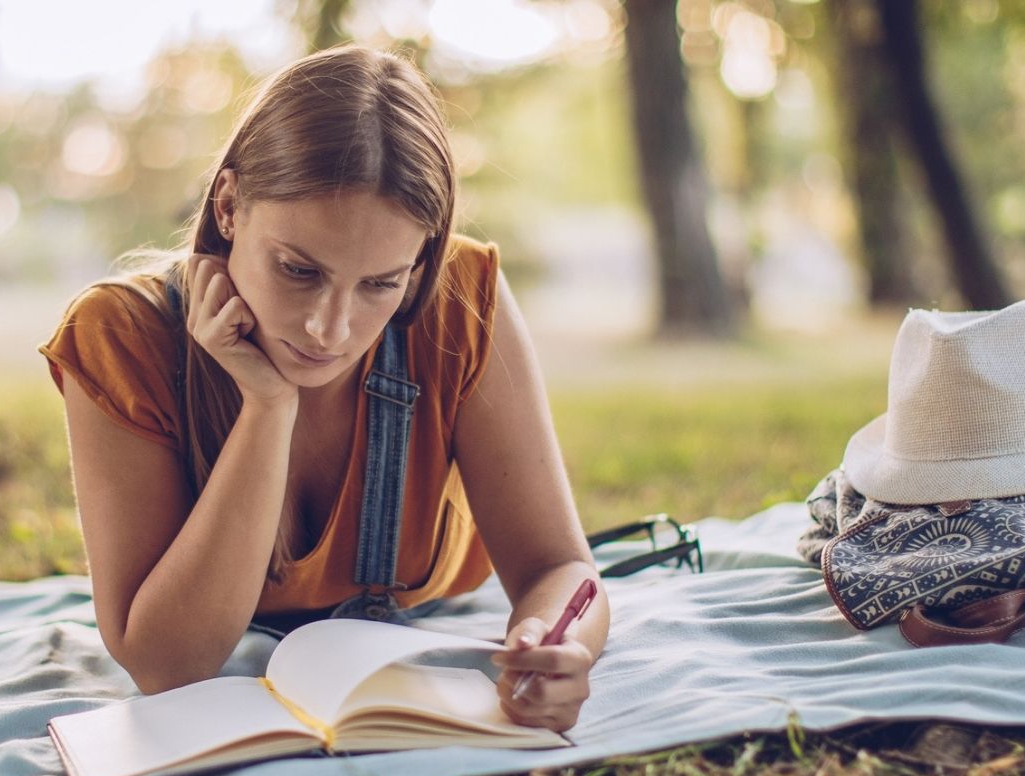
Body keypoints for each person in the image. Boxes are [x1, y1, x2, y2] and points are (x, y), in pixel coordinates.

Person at [38, 45, 606, 732]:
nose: (329, 330)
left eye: (380, 285)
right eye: (297, 270)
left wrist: (557, 645)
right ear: (227, 204)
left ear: (420, 260)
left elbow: (558, 565)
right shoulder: (120, 337)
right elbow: (167, 666)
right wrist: (268, 406)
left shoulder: (460, 298)